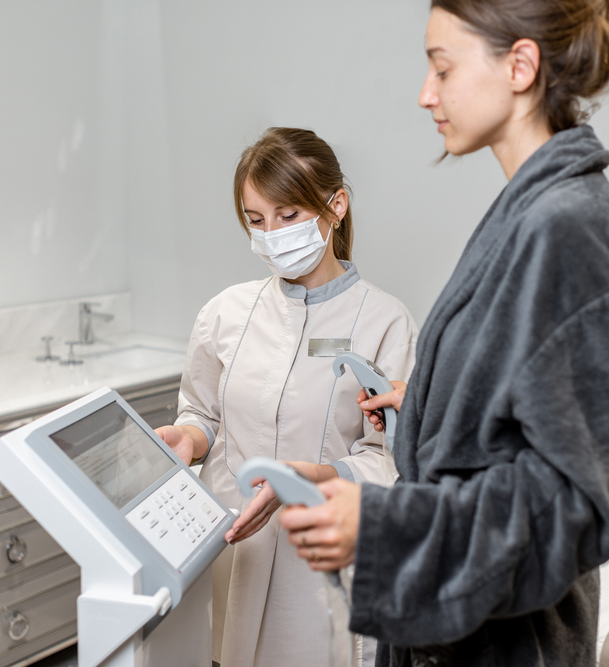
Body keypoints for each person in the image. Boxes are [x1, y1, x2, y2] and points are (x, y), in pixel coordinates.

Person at [280, 1, 609, 666]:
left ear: (520, 65)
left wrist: (380, 524)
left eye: (441, 69)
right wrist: (426, 404)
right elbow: (518, 403)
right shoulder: (532, 211)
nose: (426, 95)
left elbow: (570, 506)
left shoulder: (569, 229)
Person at [155, 127, 418, 667]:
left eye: (288, 215)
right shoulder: (226, 312)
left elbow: (389, 457)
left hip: (320, 555)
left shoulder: (385, 321)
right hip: (233, 543)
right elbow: (203, 413)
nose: (272, 234)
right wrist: (188, 437)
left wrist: (311, 478)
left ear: (335, 206)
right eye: (256, 220)